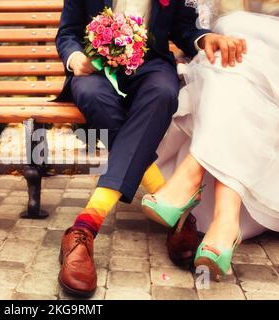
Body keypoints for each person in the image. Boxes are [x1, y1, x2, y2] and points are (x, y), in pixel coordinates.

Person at [55, 0, 245, 296]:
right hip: (95, 69)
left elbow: (183, 28)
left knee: (163, 92)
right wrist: (75, 57)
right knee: (92, 96)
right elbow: (67, 32)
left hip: (151, 64)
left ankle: (85, 226)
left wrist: (205, 38)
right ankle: (177, 216)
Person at [142, 0, 279, 281]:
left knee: (234, 42)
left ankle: (191, 175)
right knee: (228, 54)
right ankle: (226, 223)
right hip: (225, 65)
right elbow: (189, 28)